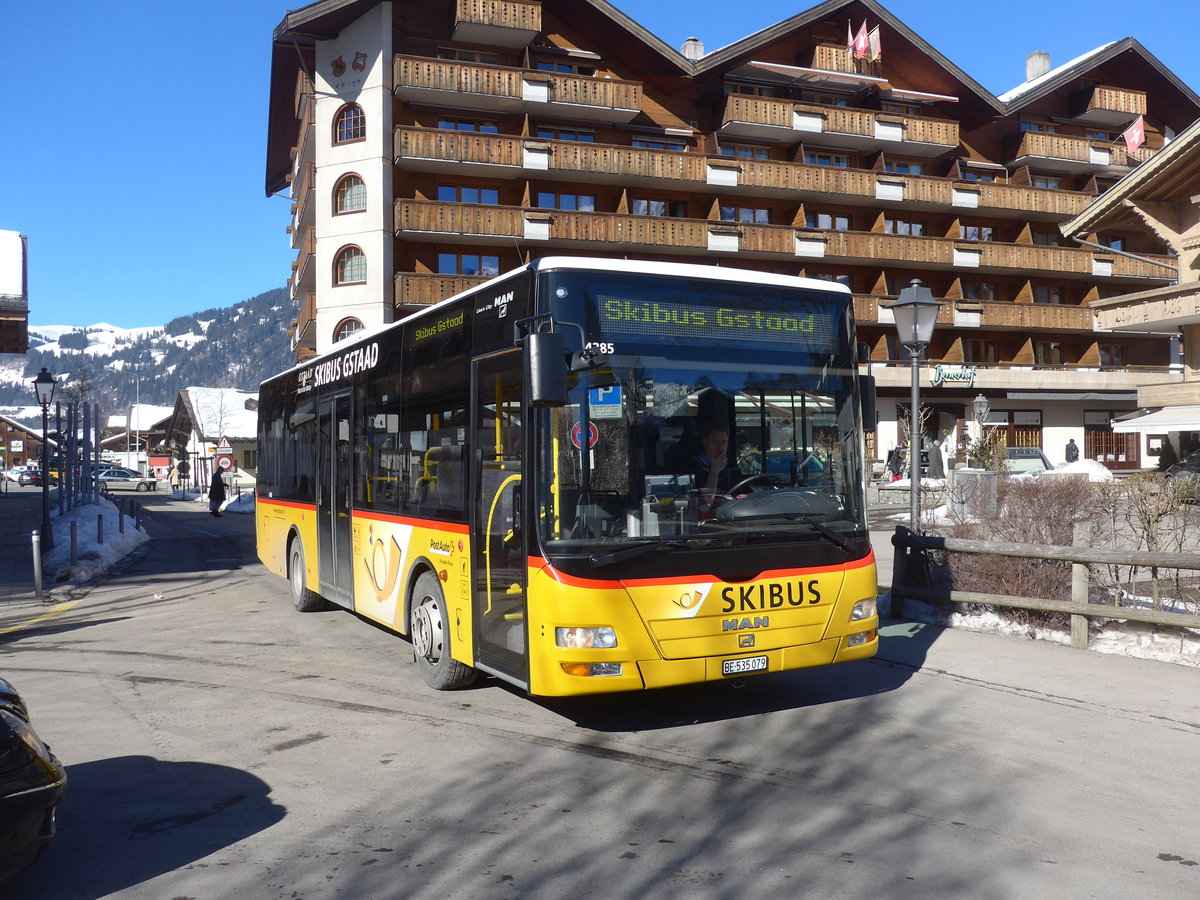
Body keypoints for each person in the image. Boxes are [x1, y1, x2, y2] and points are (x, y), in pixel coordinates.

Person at [689, 421, 743, 500]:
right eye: (715, 442)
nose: (720, 447)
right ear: (705, 442)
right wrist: (714, 472)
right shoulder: (692, 465)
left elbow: (744, 493)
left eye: (723, 442)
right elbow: (704, 505)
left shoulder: (731, 465)